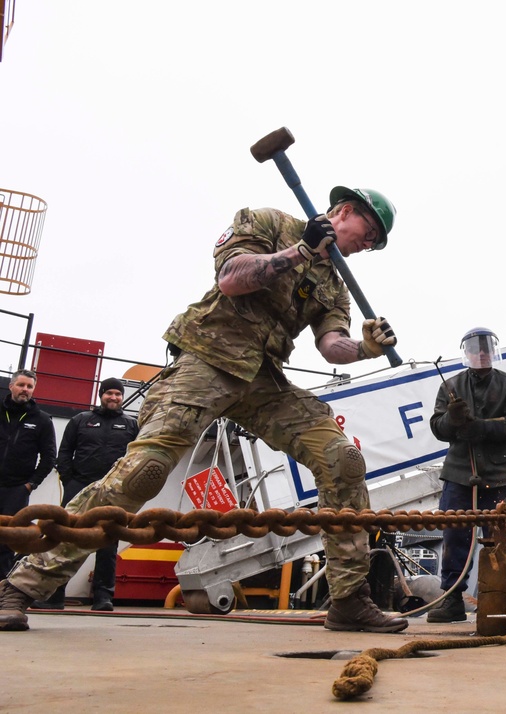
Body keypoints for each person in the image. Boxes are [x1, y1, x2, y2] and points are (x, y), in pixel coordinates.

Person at [0, 186, 408, 633]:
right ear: (345, 211)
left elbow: (332, 345)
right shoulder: (269, 223)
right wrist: (300, 251)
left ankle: (349, 599)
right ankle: (21, 585)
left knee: (341, 459)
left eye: (373, 243)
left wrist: (365, 348)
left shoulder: (334, 284)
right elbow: (232, 278)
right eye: (368, 234)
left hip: (262, 378)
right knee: (145, 471)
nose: (367, 246)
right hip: (208, 357)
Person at [426, 327, 506, 623]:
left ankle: (498, 599)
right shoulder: (452, 385)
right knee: (455, 536)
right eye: (476, 349)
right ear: (468, 353)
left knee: (500, 539)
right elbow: (437, 427)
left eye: (486, 348)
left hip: (498, 476)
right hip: (460, 474)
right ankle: (452, 599)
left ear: (492, 351)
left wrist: (480, 427)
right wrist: (452, 419)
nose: (481, 353)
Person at [32, 378, 139, 612]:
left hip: (112, 490)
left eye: (117, 394)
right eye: (109, 393)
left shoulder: (131, 425)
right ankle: (55, 596)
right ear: (101, 395)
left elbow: (135, 457)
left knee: (109, 542)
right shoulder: (81, 420)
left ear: (121, 397)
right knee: (67, 538)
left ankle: (103, 597)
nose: (113, 397)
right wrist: (70, 480)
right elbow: (65, 451)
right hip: (78, 485)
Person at [0, 370, 56, 578]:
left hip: (17, 489)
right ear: (11, 386)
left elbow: (50, 457)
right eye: (21, 385)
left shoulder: (41, 420)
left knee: (7, 541)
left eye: (29, 386)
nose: (25, 390)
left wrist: (30, 484)